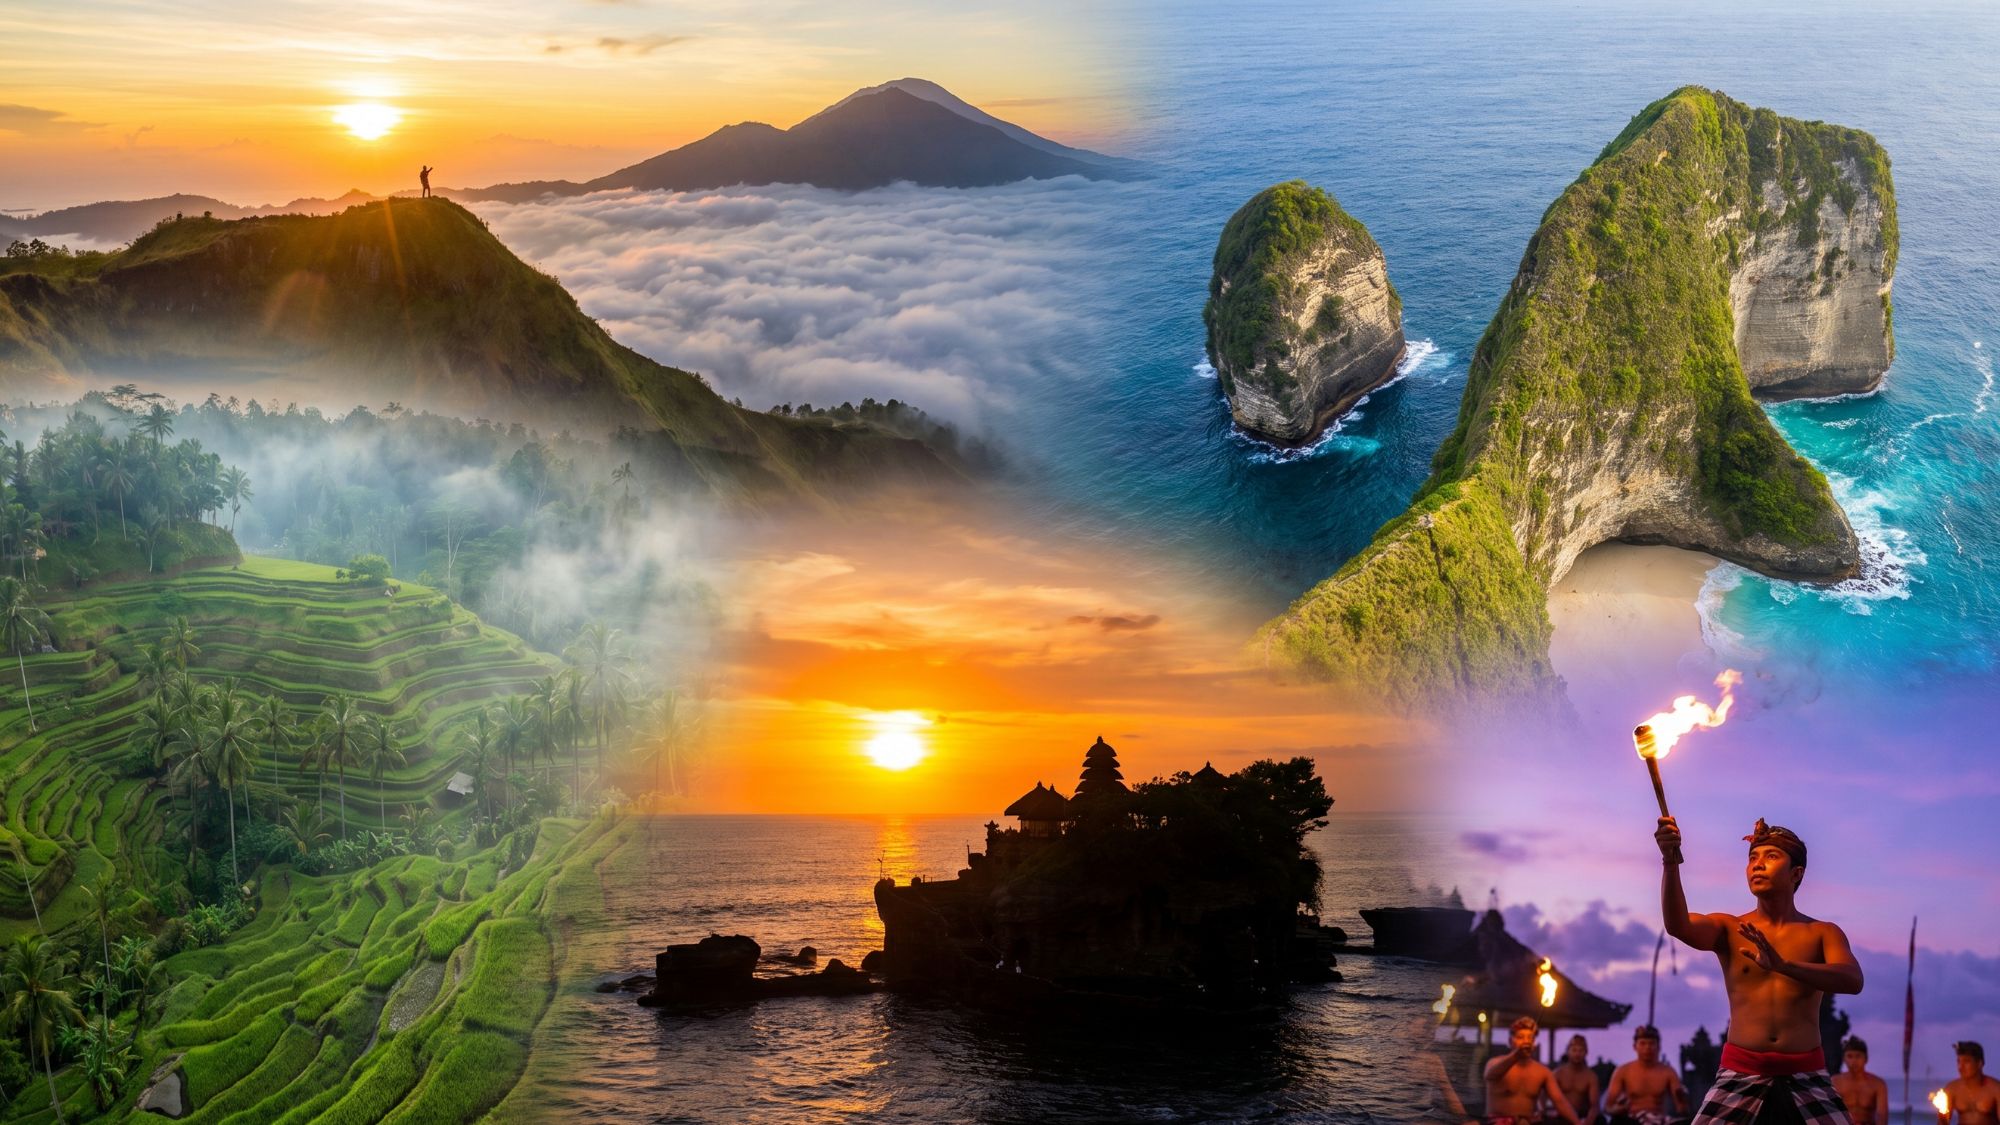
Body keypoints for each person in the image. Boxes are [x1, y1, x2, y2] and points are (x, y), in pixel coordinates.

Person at [1657, 816, 1863, 1124]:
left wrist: (1784, 965)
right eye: (1753, 857)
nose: (1758, 864)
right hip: (1740, 1073)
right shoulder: (1728, 927)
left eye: (1771, 856)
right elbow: (1678, 924)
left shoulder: (1822, 933)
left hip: (1807, 1074)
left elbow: (1852, 979)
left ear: (1796, 873)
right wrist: (1670, 862)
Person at [1487, 1016, 1581, 1125]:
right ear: (1510, 1041)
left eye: (1530, 1037)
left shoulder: (1543, 1072)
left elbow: (1560, 1102)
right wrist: (1515, 1056)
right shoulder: (1494, 1063)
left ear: (1534, 1043)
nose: (1526, 1041)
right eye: (1520, 1037)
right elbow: (1490, 1075)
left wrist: (1578, 1123)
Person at [1604, 1025, 1687, 1124]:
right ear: (1635, 1046)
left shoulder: (1668, 1072)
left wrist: (1683, 1099)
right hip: (1631, 1119)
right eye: (1643, 1043)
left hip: (1658, 1119)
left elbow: (1681, 1108)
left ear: (1658, 1047)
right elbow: (1608, 1107)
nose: (1647, 1048)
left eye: (1651, 1044)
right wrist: (1618, 1109)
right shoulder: (1623, 1071)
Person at [1939, 1042, 1999, 1125]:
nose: (1960, 1067)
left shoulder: (1995, 1089)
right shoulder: (1952, 1088)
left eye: (1966, 1061)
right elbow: (1942, 1122)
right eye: (1959, 1062)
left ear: (1979, 1064)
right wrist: (1942, 1119)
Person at [1830, 1038, 1887, 1125]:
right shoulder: (1835, 1082)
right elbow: (1829, 1112)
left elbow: (1882, 1115)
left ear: (1866, 1059)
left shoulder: (1878, 1084)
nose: (1854, 1061)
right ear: (1844, 1059)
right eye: (1850, 1056)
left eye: (1858, 1056)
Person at [1551, 1034, 1602, 1125]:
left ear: (1586, 1052)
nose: (1577, 1054)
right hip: (1561, 1116)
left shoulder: (1591, 1076)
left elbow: (1594, 1106)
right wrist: (1545, 1110)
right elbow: (1545, 1095)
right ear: (1568, 1052)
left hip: (1583, 1115)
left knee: (1601, 1120)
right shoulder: (1558, 1074)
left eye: (1580, 1050)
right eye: (1574, 1050)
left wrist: (1588, 1122)